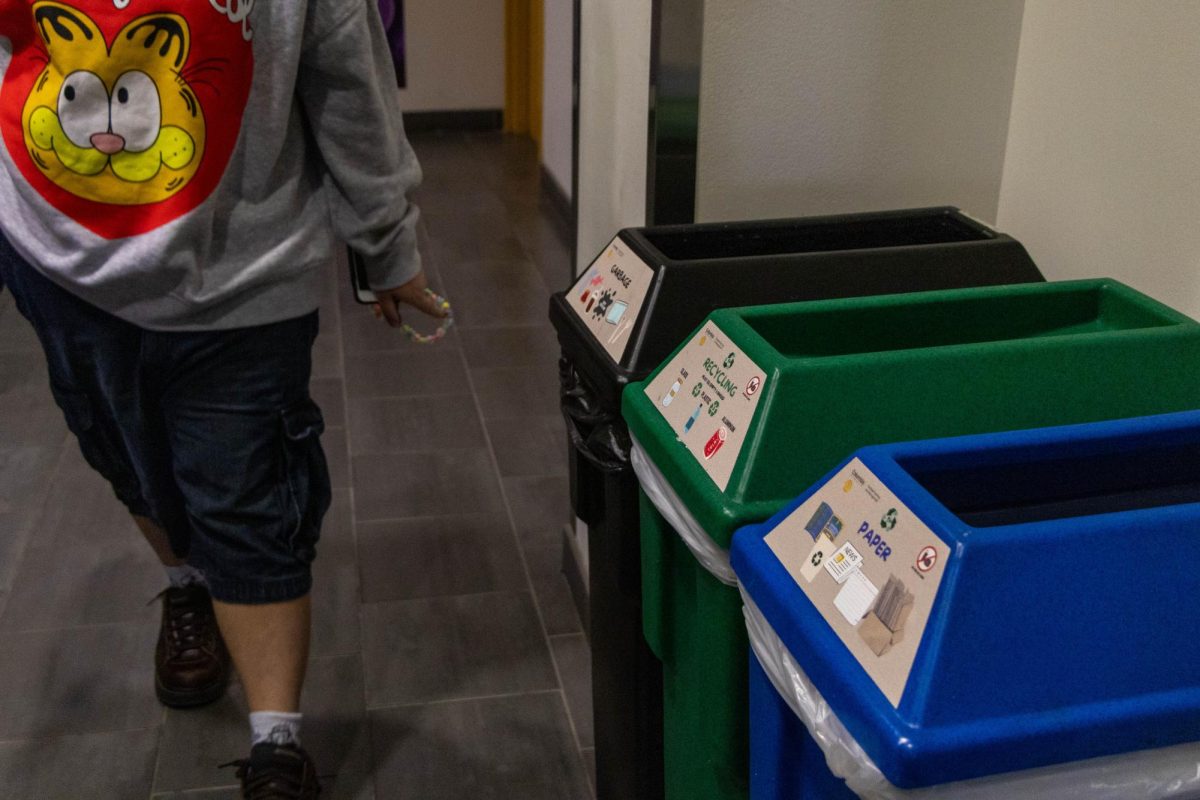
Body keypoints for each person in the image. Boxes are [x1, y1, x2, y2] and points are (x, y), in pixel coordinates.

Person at [0, 2, 441, 796]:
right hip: (60, 262)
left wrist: (388, 241)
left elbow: (349, 80)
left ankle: (277, 744)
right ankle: (186, 586)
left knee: (247, 499)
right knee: (128, 460)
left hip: (243, 274)